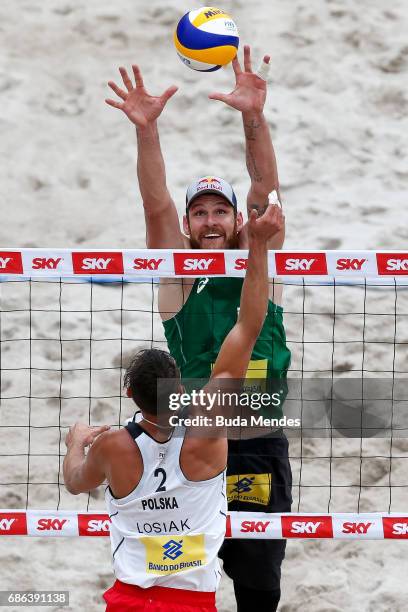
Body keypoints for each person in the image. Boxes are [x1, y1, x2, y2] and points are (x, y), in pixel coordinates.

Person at [106, 45, 292, 611]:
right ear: (189, 226)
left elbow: (266, 188)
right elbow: (154, 203)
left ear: (238, 220)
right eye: (200, 213)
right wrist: (146, 131)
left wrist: (252, 116)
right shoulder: (178, 275)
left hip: (258, 443)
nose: (211, 221)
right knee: (183, 581)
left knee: (260, 586)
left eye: (221, 211)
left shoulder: (258, 258)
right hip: (193, 450)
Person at [63, 204, 283, 612]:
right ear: (177, 386)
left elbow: (75, 482)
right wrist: (260, 245)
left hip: (129, 599)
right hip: (191, 601)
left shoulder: (111, 446)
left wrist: (76, 443)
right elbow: (249, 324)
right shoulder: (208, 426)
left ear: (129, 393)